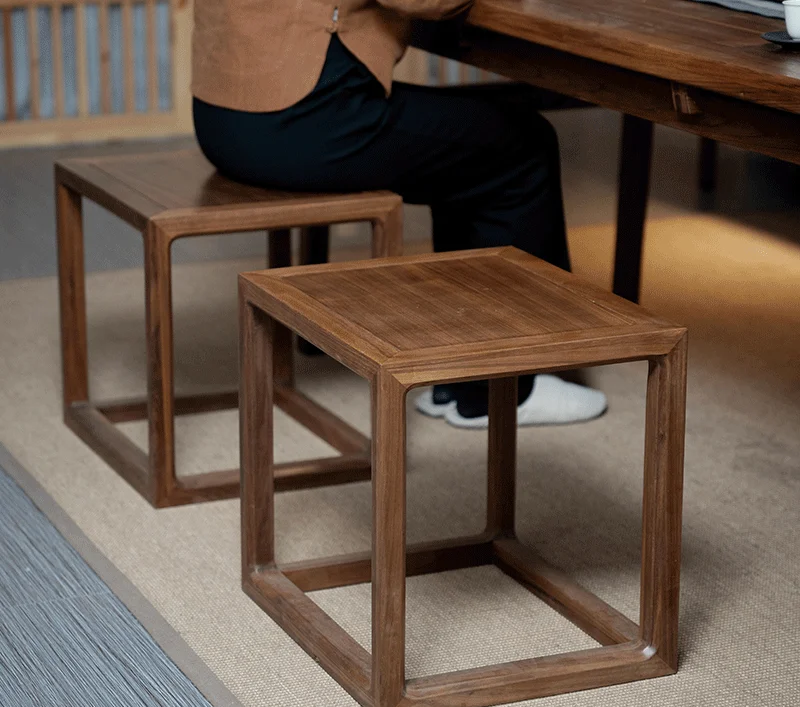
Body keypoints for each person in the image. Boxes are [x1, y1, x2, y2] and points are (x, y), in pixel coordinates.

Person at [192, 0, 607, 428]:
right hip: (298, 117)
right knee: (523, 145)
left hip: (224, 114)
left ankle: (459, 374)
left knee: (461, 150)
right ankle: (501, 391)